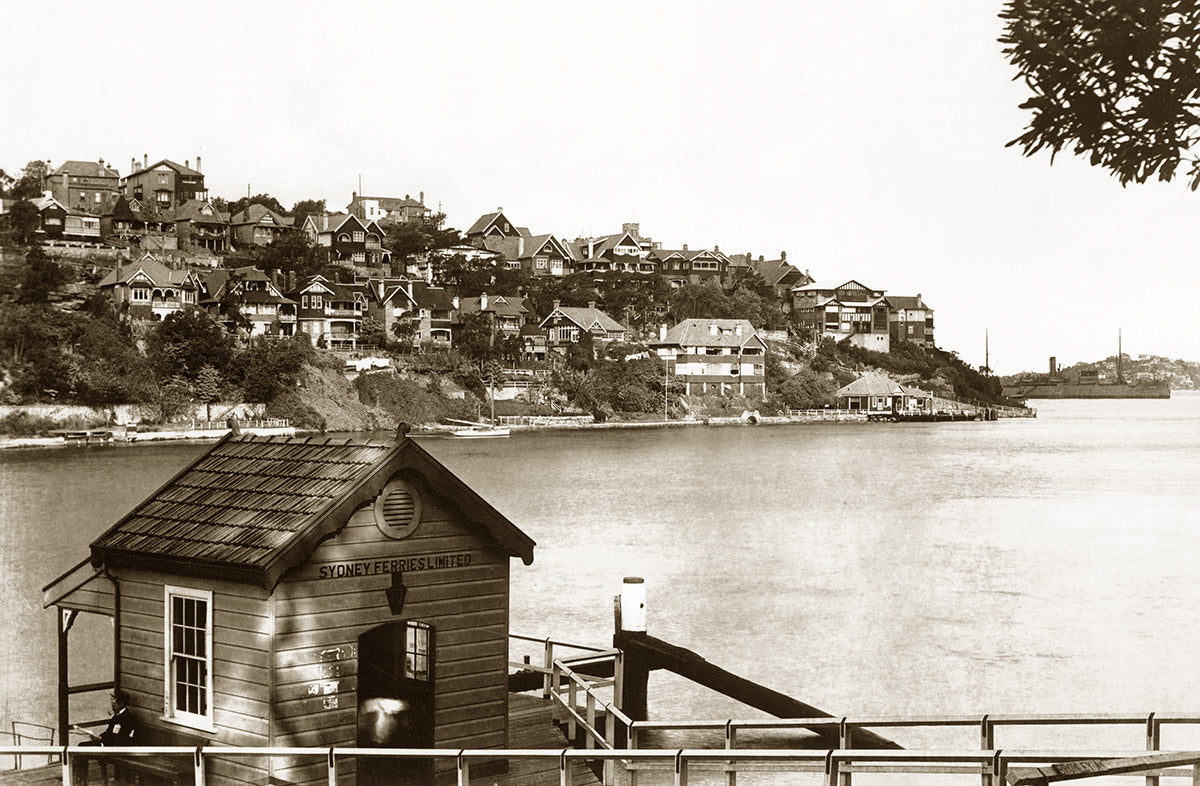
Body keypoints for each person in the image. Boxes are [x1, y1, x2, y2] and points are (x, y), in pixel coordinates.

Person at [71, 690, 137, 785]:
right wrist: (99, 737)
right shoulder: (117, 716)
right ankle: (80, 779)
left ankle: (81, 781)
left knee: (82, 748)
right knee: (81, 747)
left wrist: (102, 741)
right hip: (108, 744)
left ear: (121, 703)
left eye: (114, 705)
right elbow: (109, 732)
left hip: (117, 748)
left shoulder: (127, 718)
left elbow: (121, 739)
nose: (112, 707)